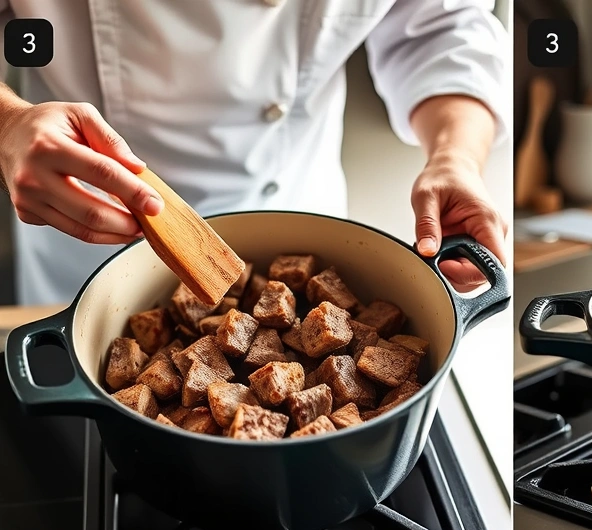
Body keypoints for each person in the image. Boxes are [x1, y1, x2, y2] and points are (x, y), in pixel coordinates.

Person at [0, 0, 510, 305]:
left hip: (300, 203)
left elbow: (445, 27)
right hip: (90, 223)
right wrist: (10, 124)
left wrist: (455, 156)